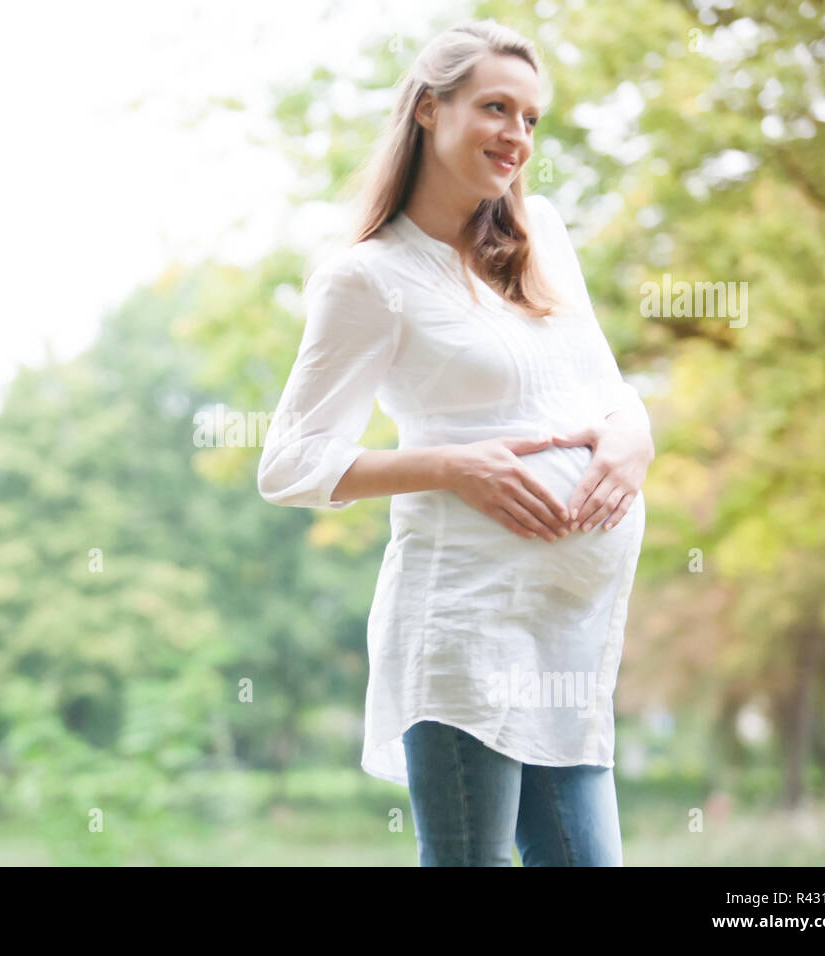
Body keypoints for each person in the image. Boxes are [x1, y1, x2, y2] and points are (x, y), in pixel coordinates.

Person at [256, 19, 656, 866]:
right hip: (464, 632)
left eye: (532, 118)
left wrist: (635, 437)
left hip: (568, 636)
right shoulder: (367, 278)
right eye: (496, 107)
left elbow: (606, 387)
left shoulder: (539, 232)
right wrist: (448, 467)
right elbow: (287, 462)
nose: (516, 135)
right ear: (430, 111)